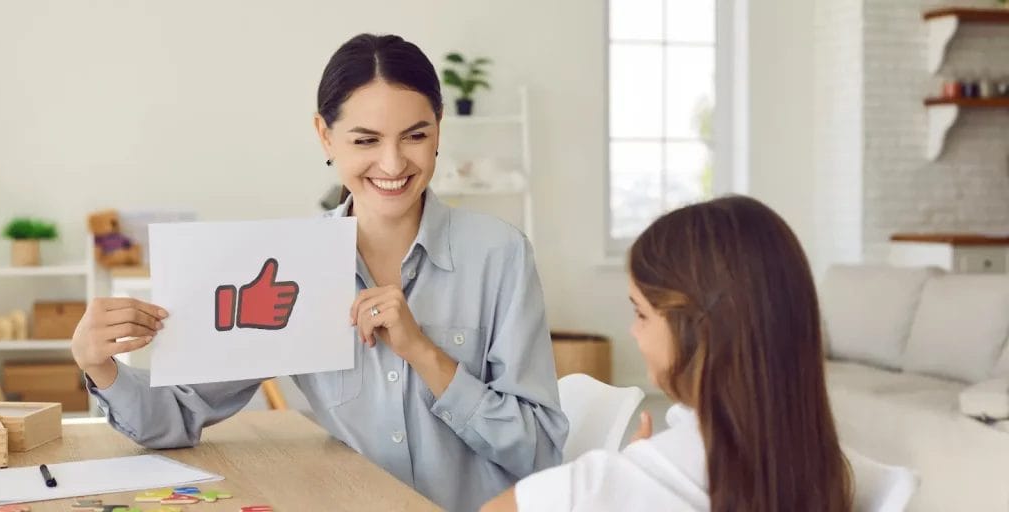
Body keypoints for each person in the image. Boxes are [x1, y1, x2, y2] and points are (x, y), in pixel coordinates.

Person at [71, 33, 567, 512]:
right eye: (366, 139)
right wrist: (99, 365)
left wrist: (423, 353)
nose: (393, 163)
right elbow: (177, 417)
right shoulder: (290, 263)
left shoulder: (500, 255)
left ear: (439, 129)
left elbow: (541, 451)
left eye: (416, 136)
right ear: (325, 136)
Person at [483, 196, 852, 512]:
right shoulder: (834, 473)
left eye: (641, 314)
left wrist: (628, 472)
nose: (633, 330)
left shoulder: (604, 484)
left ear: (698, 332)